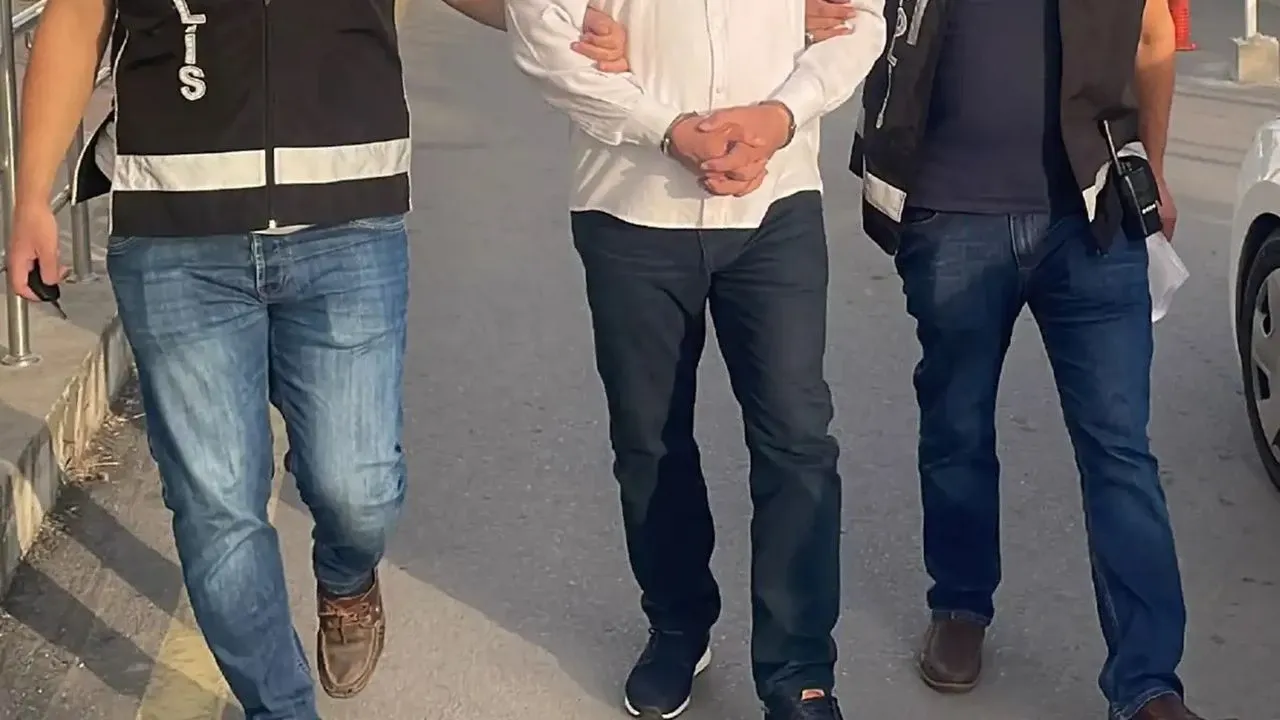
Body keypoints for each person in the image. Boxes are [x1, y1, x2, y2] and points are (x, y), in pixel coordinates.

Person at [4, 1, 623, 718]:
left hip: (347, 227)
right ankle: (280, 708)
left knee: (358, 488)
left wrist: (565, 15)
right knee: (216, 506)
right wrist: (32, 198)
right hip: (176, 237)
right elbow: (75, 22)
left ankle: (347, 575)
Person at [808, 0, 1204, 716]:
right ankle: (960, 605)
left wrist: (1158, 168)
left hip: (1093, 215)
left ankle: (1147, 679)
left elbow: (1152, 39)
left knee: (1120, 449)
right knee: (957, 426)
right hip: (951, 212)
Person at [504, 1, 886, 719]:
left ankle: (799, 671)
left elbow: (861, 17)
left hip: (776, 203)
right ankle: (678, 626)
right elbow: (540, 26)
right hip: (630, 203)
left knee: (797, 439)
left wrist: (781, 115)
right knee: (649, 439)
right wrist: (664, 126)